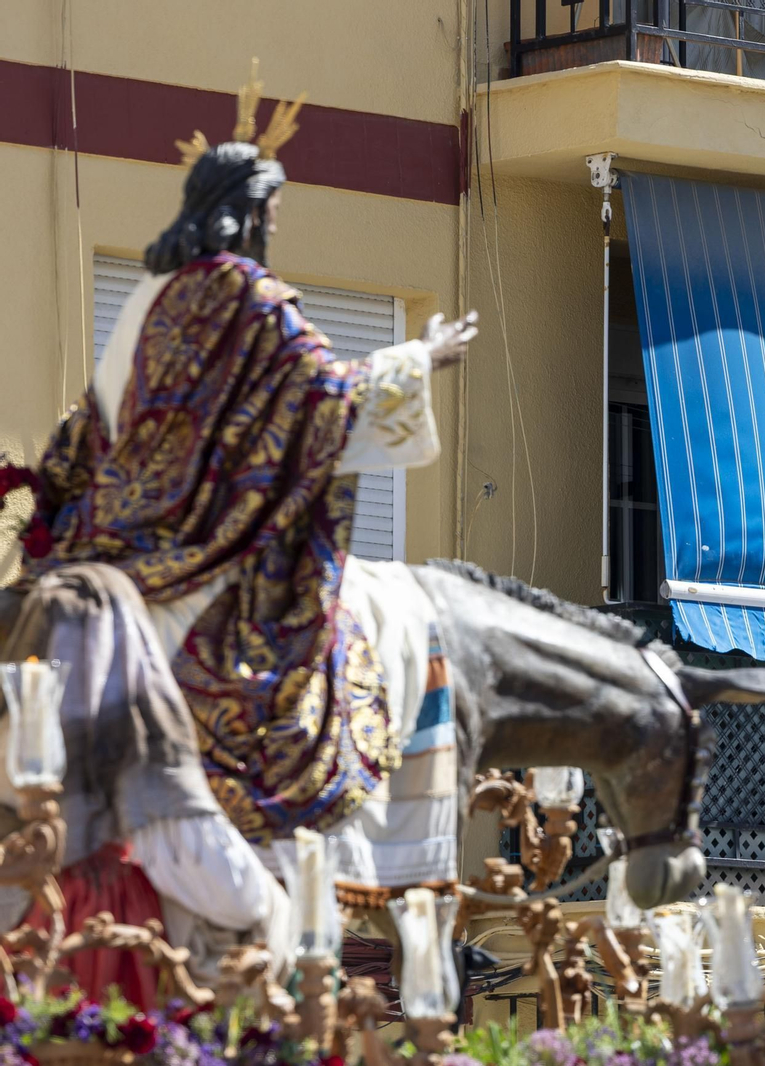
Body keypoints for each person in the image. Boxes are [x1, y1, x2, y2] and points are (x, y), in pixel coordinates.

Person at [0, 65, 476, 1001]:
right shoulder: (255, 298)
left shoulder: (145, 303)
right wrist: (424, 355)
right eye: (273, 214)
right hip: (201, 556)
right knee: (303, 669)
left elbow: (80, 433)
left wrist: (54, 507)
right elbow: (321, 402)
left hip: (110, 549)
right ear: (251, 216)